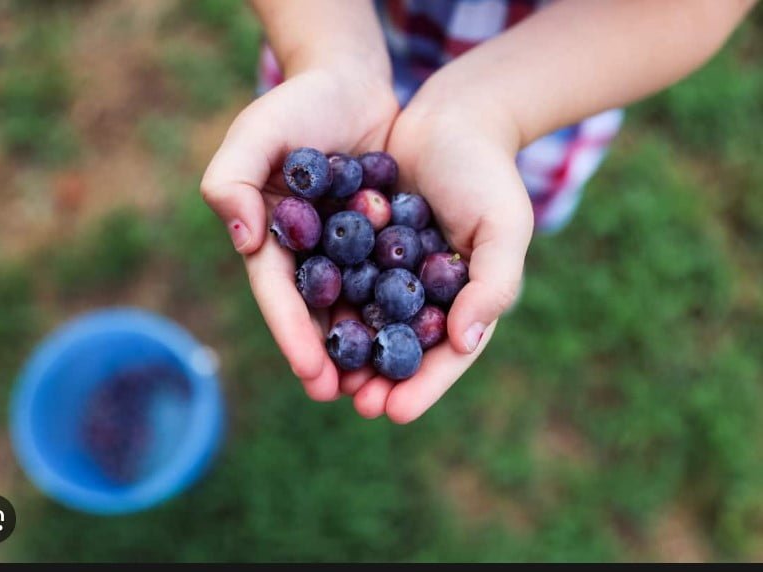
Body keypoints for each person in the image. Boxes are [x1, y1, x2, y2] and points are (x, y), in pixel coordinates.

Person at [201, 0, 757, 423]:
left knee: (496, 220)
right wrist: (330, 54)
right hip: (341, 45)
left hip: (546, 85)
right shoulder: (346, 193)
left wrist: (488, 111)